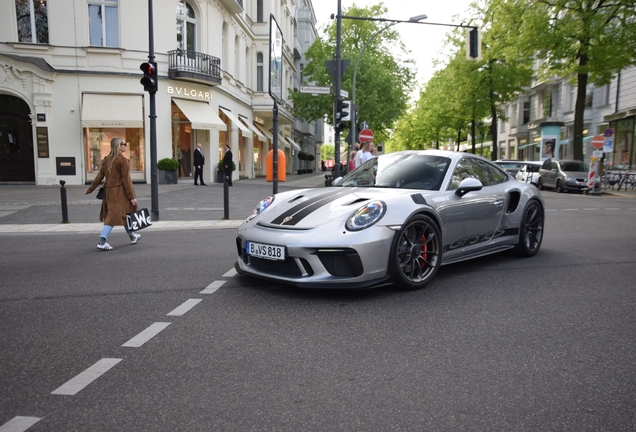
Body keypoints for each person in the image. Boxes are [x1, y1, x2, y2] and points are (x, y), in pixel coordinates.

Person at [85, 137, 140, 251]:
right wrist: (132, 197)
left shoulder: (107, 159)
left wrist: (90, 189)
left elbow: (99, 176)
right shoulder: (122, 161)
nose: (126, 145)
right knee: (112, 217)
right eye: (124, 143)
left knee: (124, 214)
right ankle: (102, 242)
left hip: (109, 192)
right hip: (120, 193)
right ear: (119, 146)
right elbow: (127, 180)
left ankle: (132, 235)